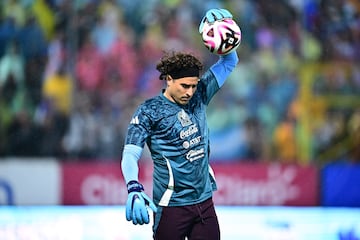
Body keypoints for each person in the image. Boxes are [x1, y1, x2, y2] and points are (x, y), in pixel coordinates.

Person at [121, 8, 239, 240]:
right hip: (170, 206)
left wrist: (224, 26)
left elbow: (229, 60)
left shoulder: (200, 94)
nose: (190, 92)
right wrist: (133, 187)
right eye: (184, 86)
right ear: (169, 79)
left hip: (204, 203)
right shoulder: (149, 111)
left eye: (194, 85)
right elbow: (130, 154)